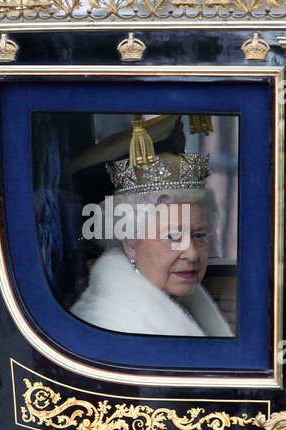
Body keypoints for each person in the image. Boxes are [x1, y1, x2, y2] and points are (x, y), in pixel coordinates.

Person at [70, 115, 232, 337]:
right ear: (130, 242)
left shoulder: (184, 301)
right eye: (172, 237)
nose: (192, 254)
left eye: (199, 235)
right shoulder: (113, 326)